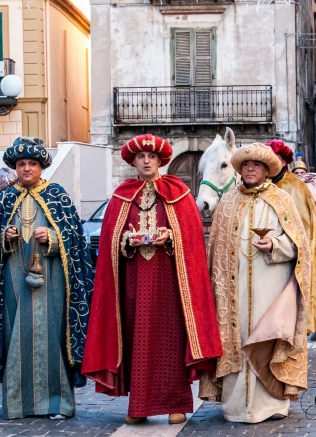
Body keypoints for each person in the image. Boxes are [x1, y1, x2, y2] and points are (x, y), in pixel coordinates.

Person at [83, 134, 222, 425]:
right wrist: (126, 241)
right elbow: (110, 239)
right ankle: (139, 406)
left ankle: (176, 404)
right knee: (137, 340)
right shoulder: (122, 195)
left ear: (160, 161)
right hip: (133, 282)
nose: (146, 161)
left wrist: (171, 236)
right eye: (141, 157)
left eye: (151, 157)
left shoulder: (178, 191)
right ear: (133, 162)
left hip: (171, 283)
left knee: (170, 340)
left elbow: (192, 238)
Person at [0, 137, 94, 420]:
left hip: (53, 282)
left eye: (32, 164)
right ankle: (18, 404)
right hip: (14, 282)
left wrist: (54, 238)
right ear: (15, 168)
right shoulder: (5, 199)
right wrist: (5, 238)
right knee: (14, 338)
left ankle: (58, 404)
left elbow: (76, 241)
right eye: (22, 164)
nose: (27, 168)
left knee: (53, 337)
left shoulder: (58, 196)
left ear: (41, 167)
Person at [199, 142, 311, 423]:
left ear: (266, 170)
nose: (250, 169)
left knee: (267, 338)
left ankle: (271, 403)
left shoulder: (281, 199)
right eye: (246, 165)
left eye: (256, 165)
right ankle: (237, 405)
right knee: (237, 339)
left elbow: (300, 245)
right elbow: (216, 249)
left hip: (271, 287)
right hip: (233, 291)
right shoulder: (227, 202)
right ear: (240, 170)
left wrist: (274, 244)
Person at [265, 140, 316, 333]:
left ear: (283, 161)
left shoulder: (295, 188)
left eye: (274, 158)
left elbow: (301, 233)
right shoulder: (264, 186)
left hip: (289, 259)